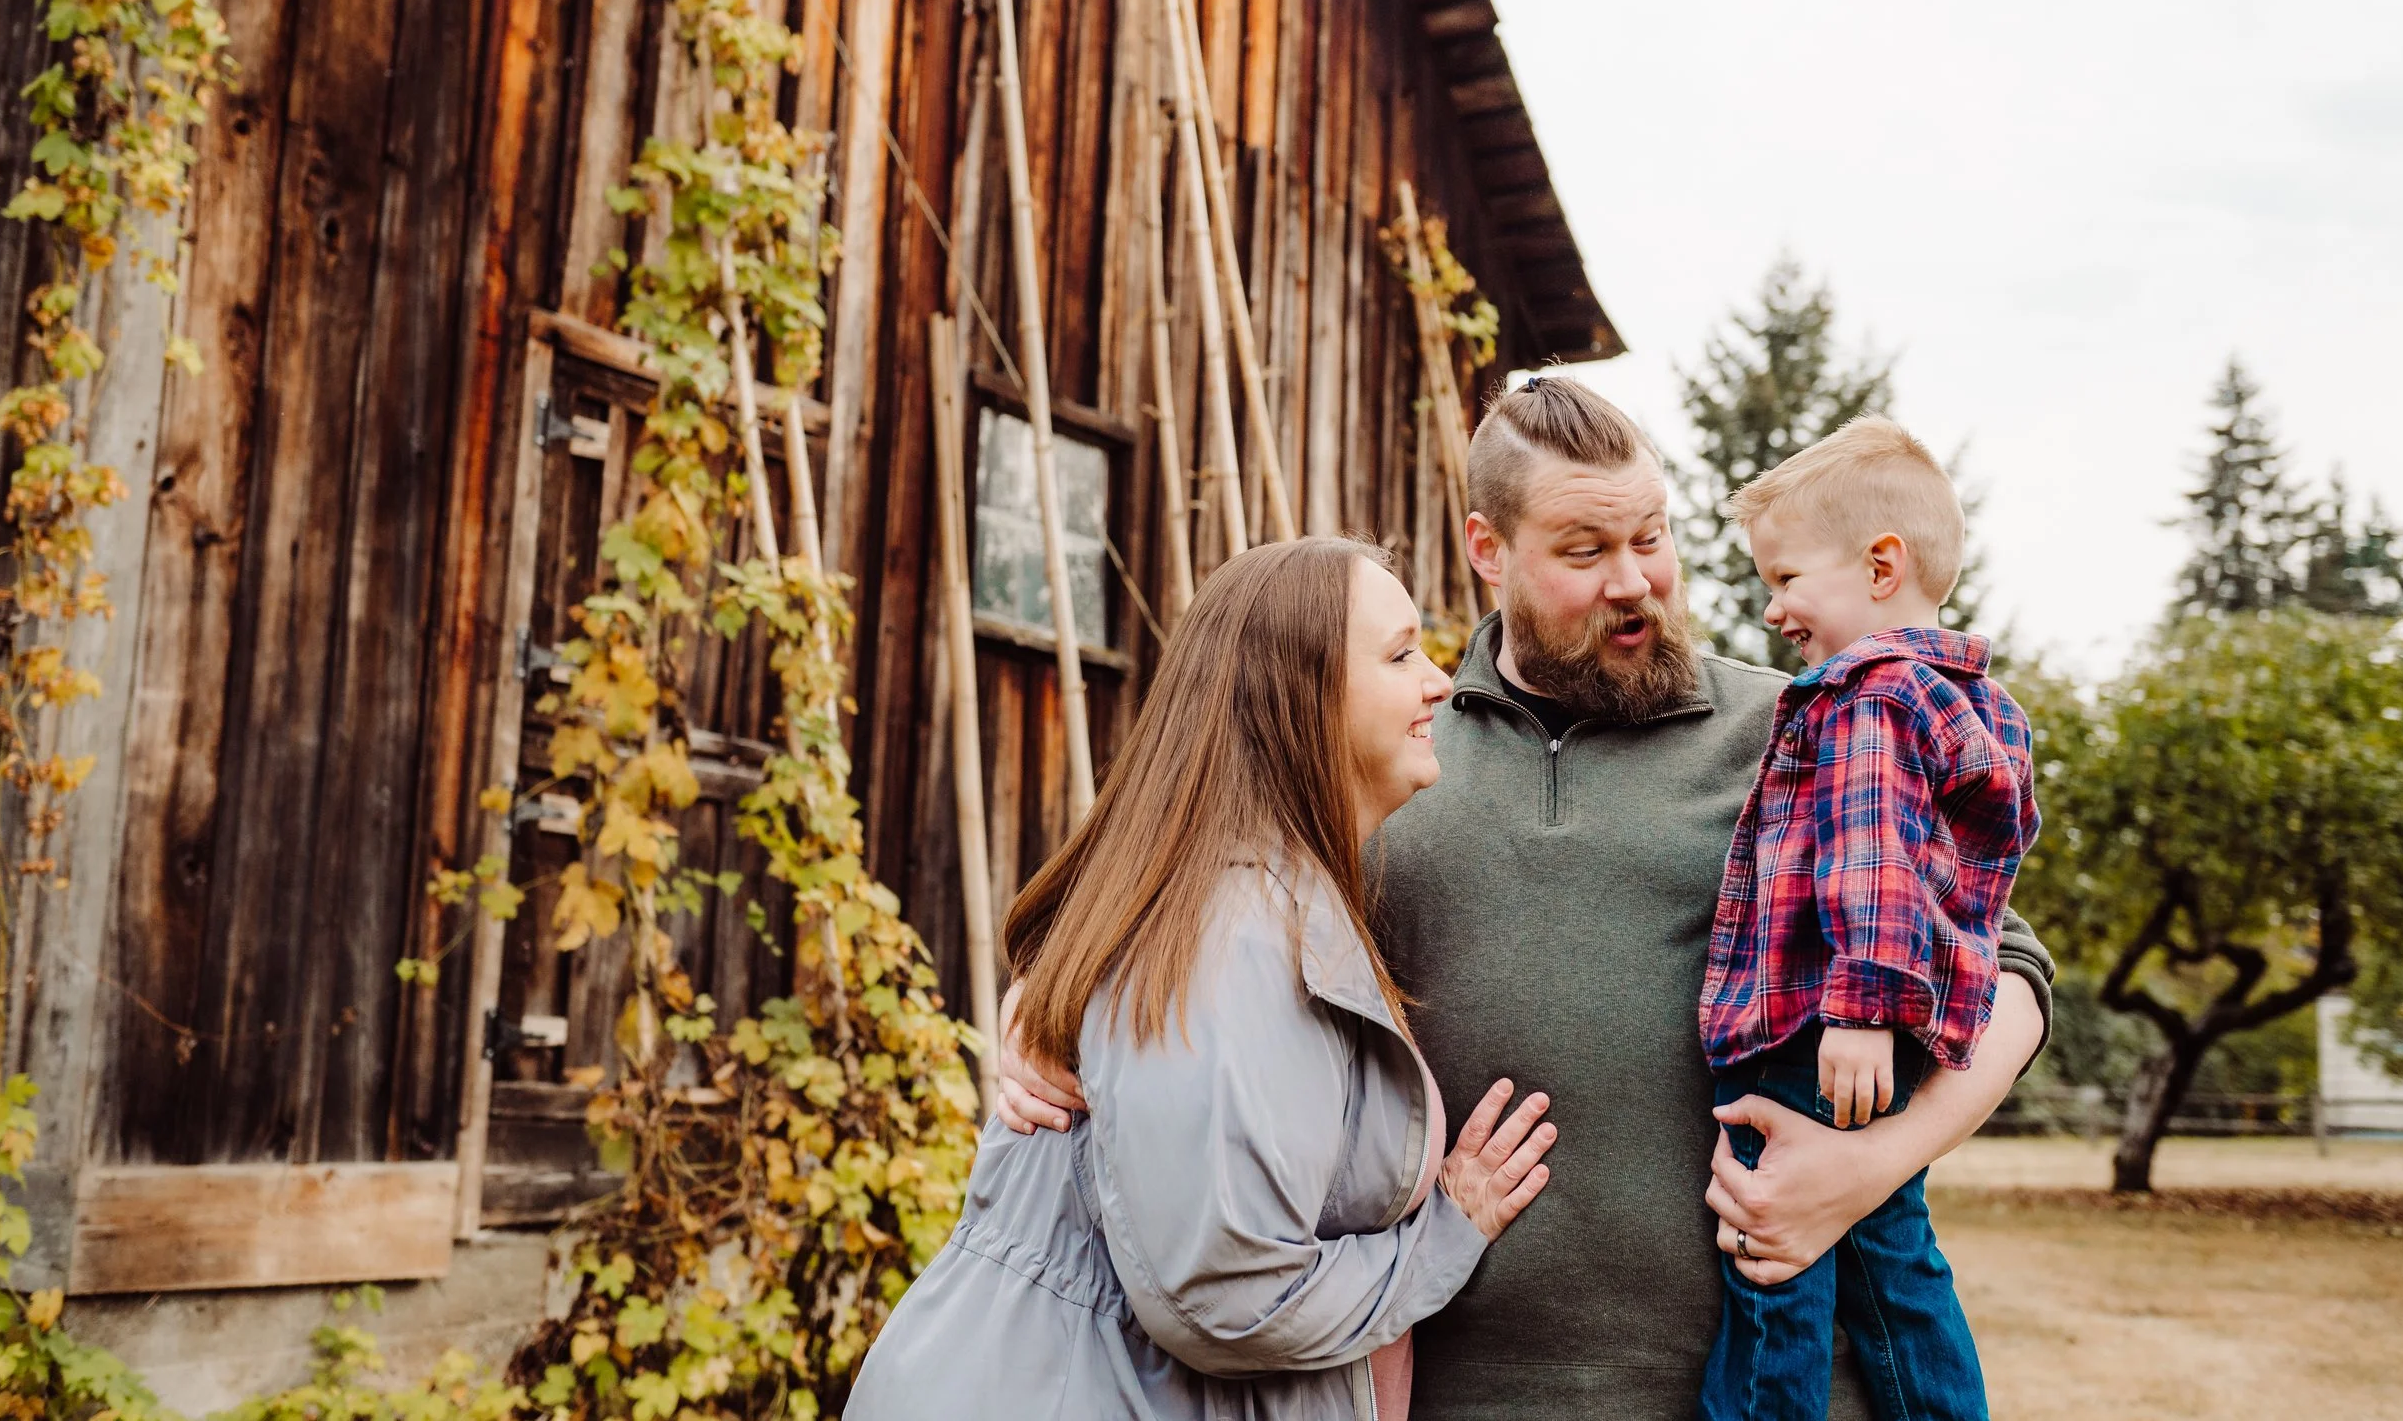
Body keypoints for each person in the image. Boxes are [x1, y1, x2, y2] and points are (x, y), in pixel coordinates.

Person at [999, 377, 2056, 1421]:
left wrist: (1871, 1164)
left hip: (1776, 1389)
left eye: (1651, 537)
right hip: (1458, 1392)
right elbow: (1165, 913)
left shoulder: (1806, 728)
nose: (1635, 580)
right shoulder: (1389, 753)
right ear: (1487, 549)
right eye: (1585, 551)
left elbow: (2003, 961)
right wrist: (1034, 1024)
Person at [849, 537, 1560, 1421]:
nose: (1439, 684)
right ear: (1303, 696)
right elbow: (1224, 1298)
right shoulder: (1236, 933)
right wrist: (1448, 1228)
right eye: (1401, 652)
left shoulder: (1235, 900)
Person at [1695, 417, 2038, 1421]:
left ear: (1881, 563)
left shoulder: (1862, 696)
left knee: (1772, 1267)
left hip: (1812, 1027)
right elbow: (1979, 878)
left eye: (1788, 576)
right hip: (1900, 1039)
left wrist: (1861, 1009)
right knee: (1893, 1264)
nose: (1772, 607)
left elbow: (1872, 856)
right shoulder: (1982, 701)